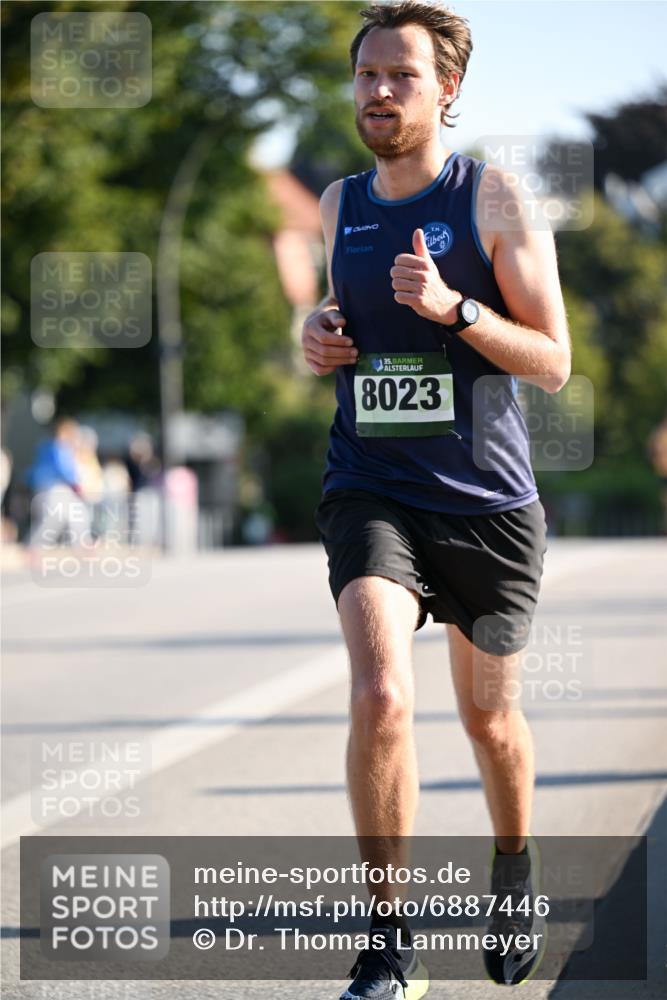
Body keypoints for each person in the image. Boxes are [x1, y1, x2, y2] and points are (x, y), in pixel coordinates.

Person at [301, 3, 571, 997]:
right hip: (370, 485)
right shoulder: (335, 204)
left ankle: (511, 866)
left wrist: (456, 309)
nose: (377, 91)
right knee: (379, 695)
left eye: (400, 76)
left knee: (489, 722)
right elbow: (334, 320)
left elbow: (551, 360)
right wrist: (316, 337)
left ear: (445, 90)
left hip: (487, 503)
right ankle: (390, 945)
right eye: (366, 73)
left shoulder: (492, 199)